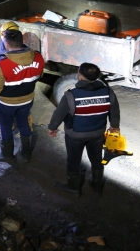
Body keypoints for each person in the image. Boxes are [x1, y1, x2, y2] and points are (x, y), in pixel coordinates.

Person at [47, 63, 121, 196]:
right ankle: (97, 186)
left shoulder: (71, 95)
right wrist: (114, 126)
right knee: (96, 159)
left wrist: (52, 128)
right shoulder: (108, 92)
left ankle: (74, 187)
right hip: (98, 134)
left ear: (80, 77)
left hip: (75, 135)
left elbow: (59, 114)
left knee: (73, 160)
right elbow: (114, 112)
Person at [0, 29, 44, 163]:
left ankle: (7, 155)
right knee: (23, 123)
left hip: (7, 103)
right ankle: (26, 154)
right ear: (22, 42)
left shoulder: (4, 65)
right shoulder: (38, 58)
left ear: (6, 44)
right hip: (27, 99)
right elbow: (39, 75)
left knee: (5, 126)